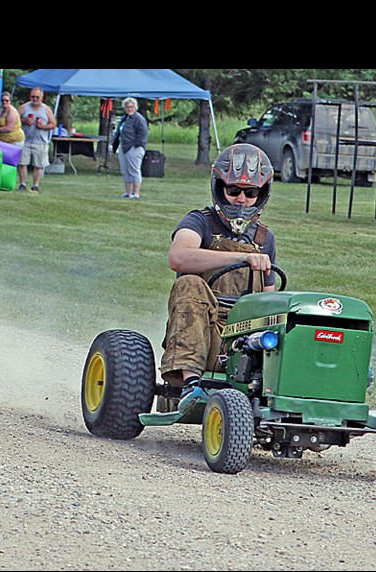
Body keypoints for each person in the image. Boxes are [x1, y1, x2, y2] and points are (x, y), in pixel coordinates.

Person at [159, 143, 278, 415]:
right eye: (234, 190)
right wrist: (240, 259)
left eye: (250, 193)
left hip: (245, 337)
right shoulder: (199, 222)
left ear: (261, 194)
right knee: (189, 283)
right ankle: (190, 384)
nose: (241, 199)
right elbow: (178, 257)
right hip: (204, 327)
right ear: (219, 187)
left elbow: (271, 297)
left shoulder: (265, 239)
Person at [16, 87, 56, 193]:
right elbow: (15, 120)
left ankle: (35, 185)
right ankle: (22, 184)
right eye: (33, 96)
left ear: (42, 98)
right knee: (22, 163)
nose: (35, 99)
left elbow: (53, 124)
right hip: (25, 140)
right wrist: (24, 121)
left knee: (38, 164)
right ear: (30, 96)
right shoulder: (24, 107)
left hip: (40, 141)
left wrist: (43, 126)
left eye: (37, 97)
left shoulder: (46, 109)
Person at [116, 97, 149, 198]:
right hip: (123, 147)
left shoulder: (139, 118)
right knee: (125, 170)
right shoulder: (125, 118)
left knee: (134, 170)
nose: (130, 109)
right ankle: (128, 192)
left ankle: (136, 193)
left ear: (135, 107)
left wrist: (135, 145)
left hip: (134, 148)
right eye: (127, 107)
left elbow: (143, 134)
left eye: (131, 107)